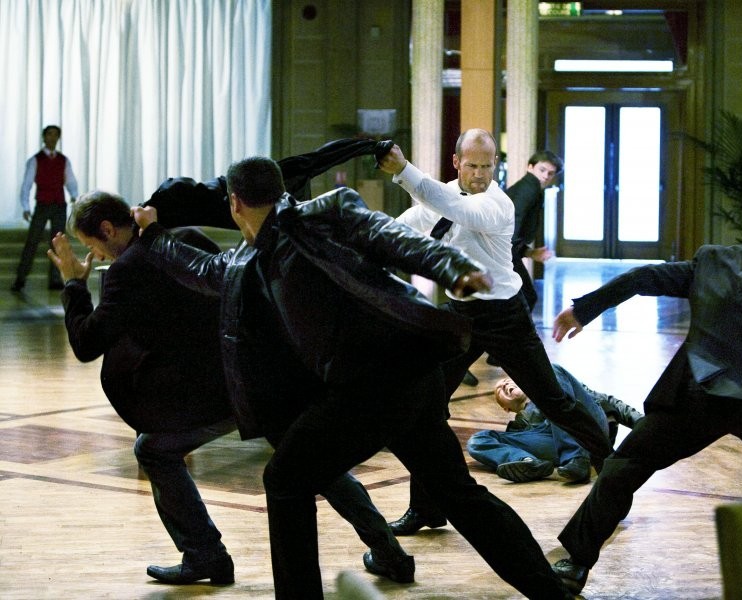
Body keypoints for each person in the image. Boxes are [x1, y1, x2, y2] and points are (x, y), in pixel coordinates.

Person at [131, 156, 575, 599]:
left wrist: (452, 267)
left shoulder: (321, 214)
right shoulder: (249, 259)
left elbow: (390, 237)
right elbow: (204, 270)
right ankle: (550, 593)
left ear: (235, 204)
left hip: (373, 386)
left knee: (286, 481)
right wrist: (152, 236)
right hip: (404, 378)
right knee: (458, 495)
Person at [50, 191, 416, 587]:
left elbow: (86, 344)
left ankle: (205, 555)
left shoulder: (128, 269)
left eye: (91, 245)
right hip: (259, 372)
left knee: (154, 450)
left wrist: (74, 284)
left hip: (219, 391)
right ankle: (389, 552)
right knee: (314, 463)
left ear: (107, 229)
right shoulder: (184, 238)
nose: (96, 256)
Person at [547, 196, 742, 594]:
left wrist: (583, 311)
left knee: (624, 466)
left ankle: (576, 564)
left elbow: (643, 277)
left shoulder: (713, 260)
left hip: (697, 398)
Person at [379, 129, 611, 537]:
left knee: (554, 401)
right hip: (460, 315)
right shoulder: (443, 196)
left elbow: (460, 209)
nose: (480, 174)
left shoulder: (497, 204)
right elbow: (400, 227)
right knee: (425, 405)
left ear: (495, 167)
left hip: (506, 318)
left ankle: (615, 471)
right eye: (472, 165)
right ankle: (426, 508)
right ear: (456, 163)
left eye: (487, 166)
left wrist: (404, 171)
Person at [468, 363, 643, 484]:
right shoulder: (519, 430)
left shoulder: (553, 385)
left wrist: (643, 424)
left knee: (552, 370)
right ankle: (528, 462)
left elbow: (608, 401)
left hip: (587, 429)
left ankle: (576, 458)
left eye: (508, 380)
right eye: (499, 389)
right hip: (549, 443)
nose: (505, 384)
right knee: (477, 441)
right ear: (505, 408)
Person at [12, 125, 79, 291]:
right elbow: (26, 185)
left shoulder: (63, 160)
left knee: (57, 243)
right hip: (42, 204)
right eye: (49, 134)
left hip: (59, 205)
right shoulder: (35, 160)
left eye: (56, 135)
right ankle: (20, 278)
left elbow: (70, 180)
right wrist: (26, 206)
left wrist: (74, 195)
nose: (52, 138)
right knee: (32, 241)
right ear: (44, 137)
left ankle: (55, 279)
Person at [506, 150, 564, 312]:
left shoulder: (530, 188)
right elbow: (514, 223)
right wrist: (514, 255)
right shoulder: (529, 189)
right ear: (530, 167)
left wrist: (529, 252)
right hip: (502, 251)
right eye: (542, 170)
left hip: (503, 249)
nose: (546, 176)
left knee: (522, 298)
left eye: (550, 173)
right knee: (527, 297)